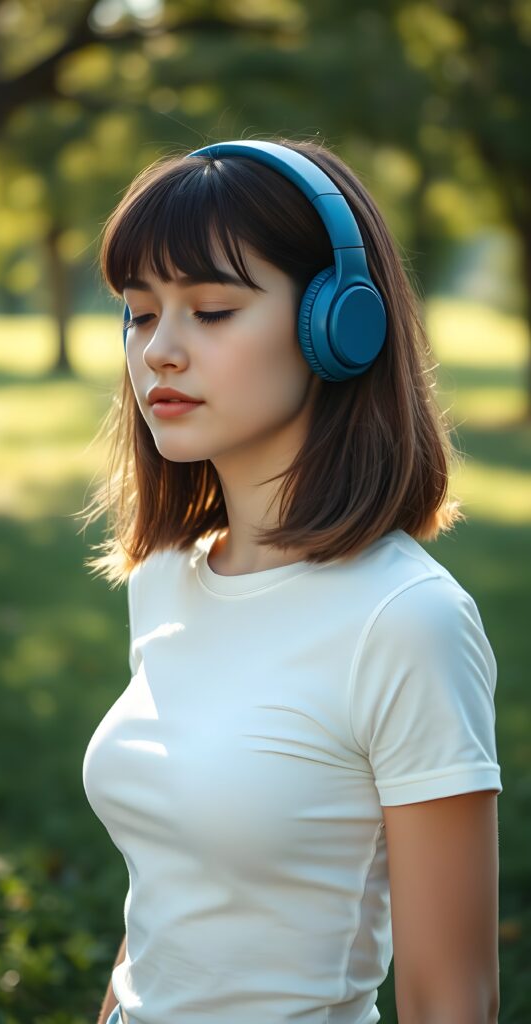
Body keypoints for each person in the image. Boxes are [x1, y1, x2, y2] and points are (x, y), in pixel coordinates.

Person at [79, 137, 502, 1024]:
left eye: (212, 310)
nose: (160, 350)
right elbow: (169, 898)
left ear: (339, 324)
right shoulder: (164, 576)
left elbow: (448, 997)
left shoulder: (406, 620)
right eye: (139, 312)